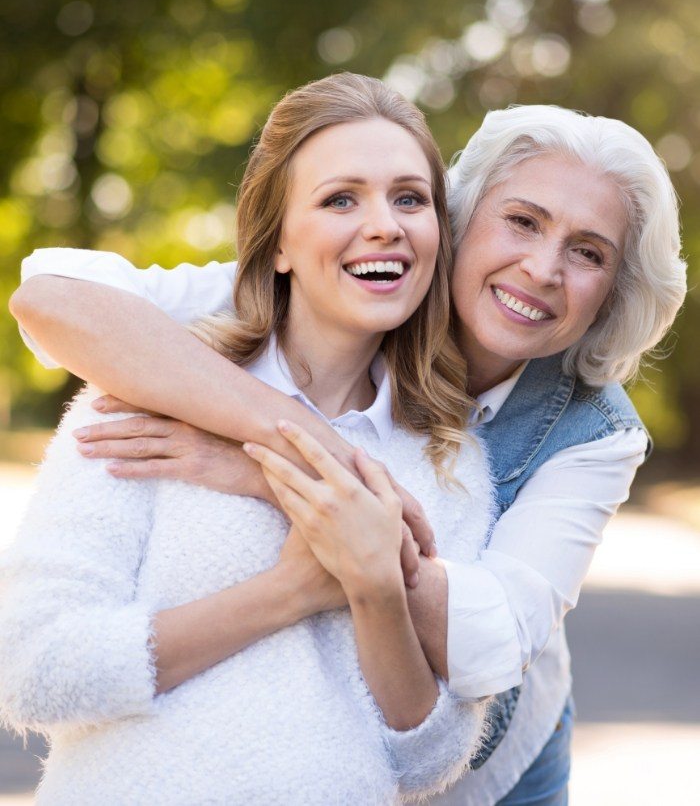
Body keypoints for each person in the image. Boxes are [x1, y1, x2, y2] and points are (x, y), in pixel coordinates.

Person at [10, 103, 686, 805]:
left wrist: (298, 487)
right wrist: (302, 443)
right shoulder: (327, 282)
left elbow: (479, 659)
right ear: (461, 220)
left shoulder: (570, 438)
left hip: (498, 764)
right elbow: (57, 295)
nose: (543, 268)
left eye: (588, 252)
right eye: (522, 220)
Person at [0, 74, 497, 804]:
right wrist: (287, 592)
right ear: (279, 244)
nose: (386, 224)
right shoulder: (145, 399)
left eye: (409, 198)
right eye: (339, 199)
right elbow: (30, 669)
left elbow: (430, 761)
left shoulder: (452, 463)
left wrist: (373, 586)